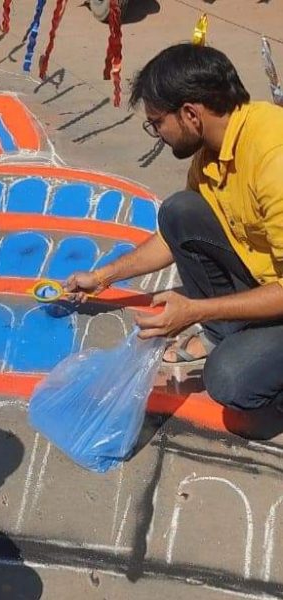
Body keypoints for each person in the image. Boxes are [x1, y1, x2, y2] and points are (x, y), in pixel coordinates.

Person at [65, 42, 283, 412]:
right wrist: (103, 277)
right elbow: (174, 237)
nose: (157, 133)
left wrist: (196, 311)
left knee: (230, 380)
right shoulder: (212, 152)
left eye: (157, 123)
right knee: (180, 210)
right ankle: (233, 332)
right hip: (268, 282)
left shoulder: (272, 158)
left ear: (190, 114)